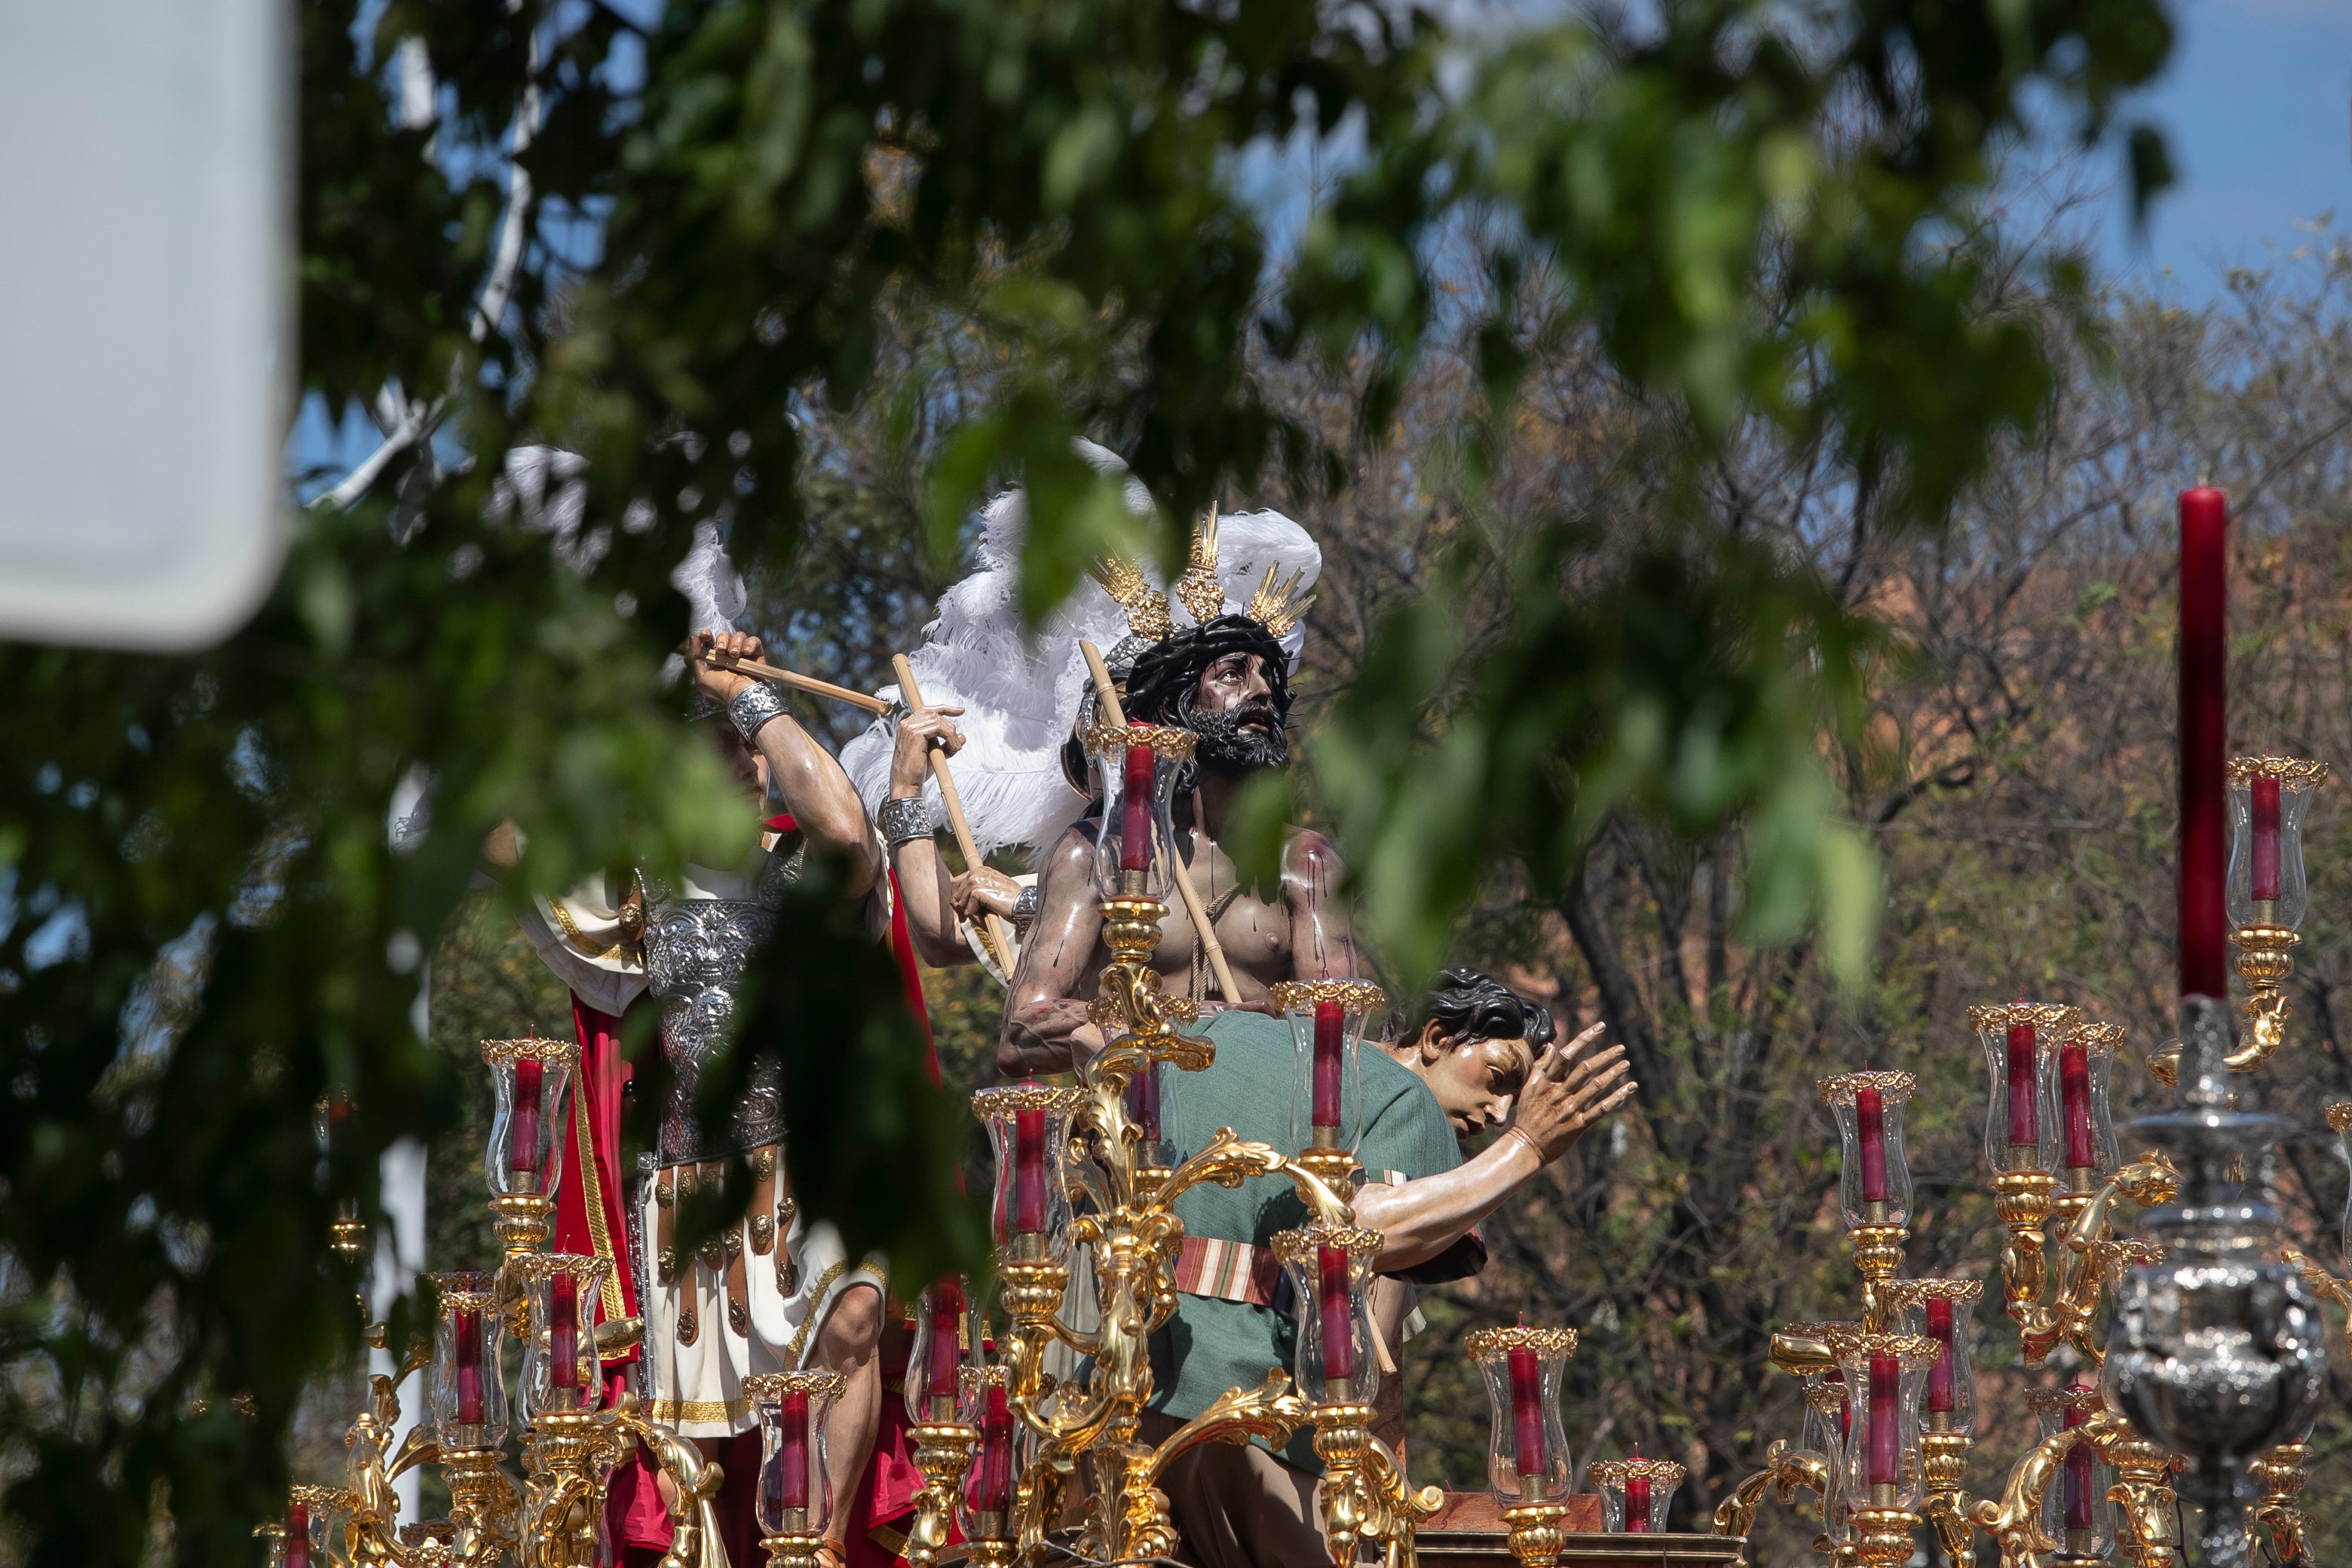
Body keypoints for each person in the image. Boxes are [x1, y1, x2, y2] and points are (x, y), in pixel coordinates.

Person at [993, 509, 1635, 1568]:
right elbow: (1024, 1025)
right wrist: (1118, 1038)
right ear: (1170, 703)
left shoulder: (1302, 862)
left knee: (1332, 1376)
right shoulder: (1094, 860)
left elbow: (1339, 1026)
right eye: (1231, 674)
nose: (1260, 692)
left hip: (1269, 1171)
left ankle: (1354, 1446)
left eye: (1268, 676)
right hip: (1138, 1167)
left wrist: (1252, 1043)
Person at [513, 527, 923, 1568]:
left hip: (818, 1162)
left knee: (854, 1318)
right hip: (694, 1185)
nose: (745, 767)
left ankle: (817, 1554)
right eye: (717, 750)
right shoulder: (635, 888)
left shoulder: (809, 870)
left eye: (748, 748)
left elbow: (848, 829)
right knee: (696, 1443)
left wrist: (750, 697)